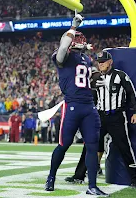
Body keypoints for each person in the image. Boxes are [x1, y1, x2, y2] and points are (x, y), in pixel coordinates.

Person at [45, 12, 108, 196]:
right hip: (72, 105)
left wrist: (97, 80)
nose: (80, 40)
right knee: (64, 144)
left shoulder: (87, 59)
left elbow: (87, 78)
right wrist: (72, 27)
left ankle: (93, 186)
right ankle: (51, 177)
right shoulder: (62, 56)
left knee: (92, 146)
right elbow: (64, 46)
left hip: (89, 106)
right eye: (76, 37)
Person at [65, 49, 136, 188]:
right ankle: (79, 176)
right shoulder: (94, 78)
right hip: (99, 117)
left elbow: (131, 94)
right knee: (89, 146)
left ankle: (135, 179)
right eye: (99, 62)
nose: (100, 65)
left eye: (103, 62)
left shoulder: (120, 76)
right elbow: (89, 98)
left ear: (110, 62)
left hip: (116, 117)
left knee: (124, 147)